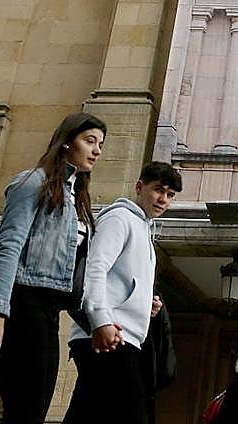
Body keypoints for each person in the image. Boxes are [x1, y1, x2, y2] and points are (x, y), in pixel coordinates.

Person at [0, 112, 106, 424]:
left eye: (100, 143)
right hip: (20, 305)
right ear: (66, 142)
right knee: (25, 410)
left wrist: (96, 323)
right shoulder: (32, 183)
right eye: (90, 141)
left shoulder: (76, 198)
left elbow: (73, 275)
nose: (97, 150)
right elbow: (8, 248)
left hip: (48, 310)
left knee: (34, 409)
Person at [62, 162, 182, 424]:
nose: (163, 199)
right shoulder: (119, 218)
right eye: (158, 190)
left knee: (89, 413)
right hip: (110, 334)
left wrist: (143, 304)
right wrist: (100, 320)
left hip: (120, 335)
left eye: (170, 195)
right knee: (132, 414)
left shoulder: (144, 228)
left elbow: (121, 280)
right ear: (140, 187)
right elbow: (96, 268)